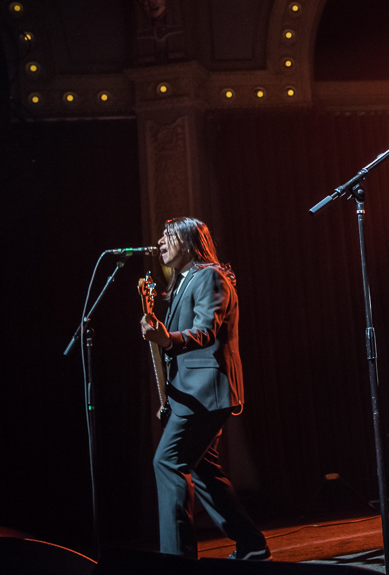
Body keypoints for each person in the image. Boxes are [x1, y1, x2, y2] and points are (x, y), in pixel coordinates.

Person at [140, 217, 270, 560]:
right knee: (204, 468)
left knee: (168, 463)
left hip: (207, 393)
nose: (159, 242)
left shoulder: (210, 276)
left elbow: (205, 332)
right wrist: (169, 397)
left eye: (167, 236)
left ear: (187, 241)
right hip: (191, 394)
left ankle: (178, 560)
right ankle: (252, 546)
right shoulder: (182, 282)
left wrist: (165, 339)